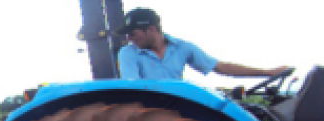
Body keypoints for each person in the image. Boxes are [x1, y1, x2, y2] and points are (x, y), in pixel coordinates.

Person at [115, 8, 288, 80]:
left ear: (151, 29)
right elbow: (134, 88)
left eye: (133, 33)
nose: (129, 38)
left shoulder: (182, 48)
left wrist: (266, 73)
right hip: (150, 111)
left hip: (178, 105)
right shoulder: (128, 53)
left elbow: (220, 67)